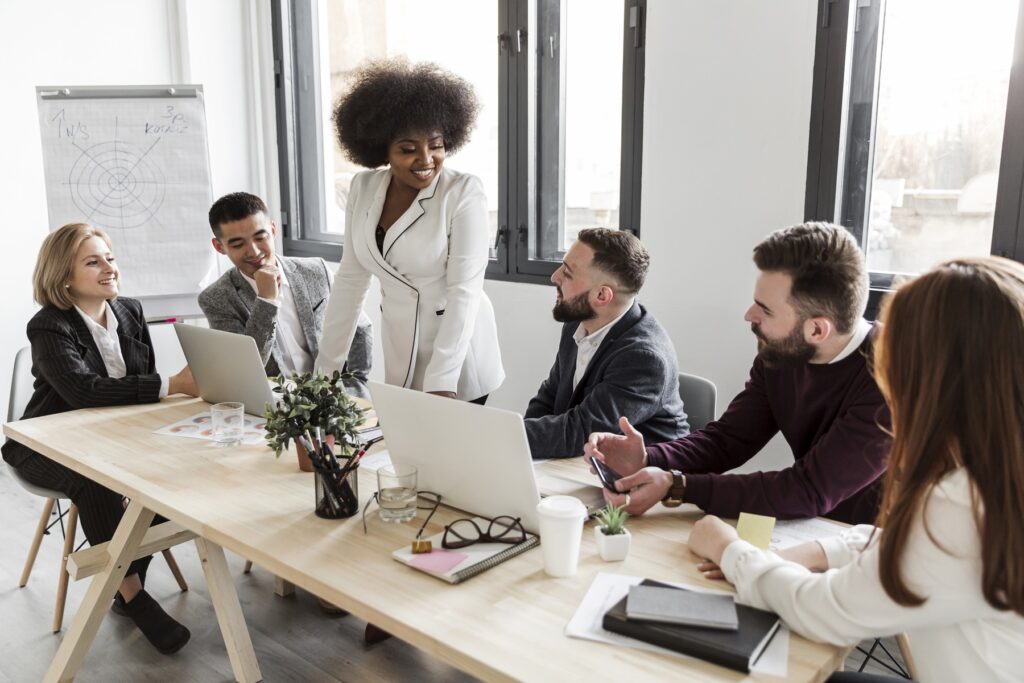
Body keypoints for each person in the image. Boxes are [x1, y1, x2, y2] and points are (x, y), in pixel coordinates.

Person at [688, 257, 1024, 683]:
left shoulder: (961, 505)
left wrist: (729, 549)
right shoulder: (992, 475)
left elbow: (822, 611)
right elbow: (911, 546)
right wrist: (823, 550)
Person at [587, 223, 891, 524]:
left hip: (879, 546)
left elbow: (807, 489)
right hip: (812, 528)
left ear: (816, 329)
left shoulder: (893, 379)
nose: (749, 315)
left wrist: (678, 486)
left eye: (765, 310)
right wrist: (648, 459)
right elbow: (728, 440)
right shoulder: (783, 352)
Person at [1, 223, 198, 654]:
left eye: (110, 256)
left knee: (179, 470)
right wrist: (172, 384)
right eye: (93, 261)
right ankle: (132, 595)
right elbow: (82, 390)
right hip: (43, 440)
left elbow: (135, 382)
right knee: (95, 481)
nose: (109, 267)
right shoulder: (49, 325)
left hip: (111, 435)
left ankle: (124, 576)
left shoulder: (129, 309)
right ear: (64, 276)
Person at [317, 58, 503, 404]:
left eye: (436, 145)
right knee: (404, 452)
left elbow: (464, 291)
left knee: (446, 453)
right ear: (381, 148)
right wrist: (324, 374)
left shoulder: (463, 192)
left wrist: (442, 380)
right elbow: (351, 281)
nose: (426, 159)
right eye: (408, 149)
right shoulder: (363, 187)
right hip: (402, 344)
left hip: (457, 352)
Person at [525, 228, 687, 459]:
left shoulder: (644, 358)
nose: (554, 277)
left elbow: (580, 430)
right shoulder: (577, 323)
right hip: (584, 463)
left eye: (568, 273)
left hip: (644, 479)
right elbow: (549, 397)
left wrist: (505, 437)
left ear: (602, 296)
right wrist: (517, 444)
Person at [199, 192, 372, 396]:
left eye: (260, 237)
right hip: (275, 407)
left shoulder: (316, 270)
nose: (253, 251)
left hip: (332, 398)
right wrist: (266, 300)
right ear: (219, 247)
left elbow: (359, 328)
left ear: (273, 230)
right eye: (238, 244)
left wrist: (355, 386)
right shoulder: (216, 299)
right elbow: (246, 367)